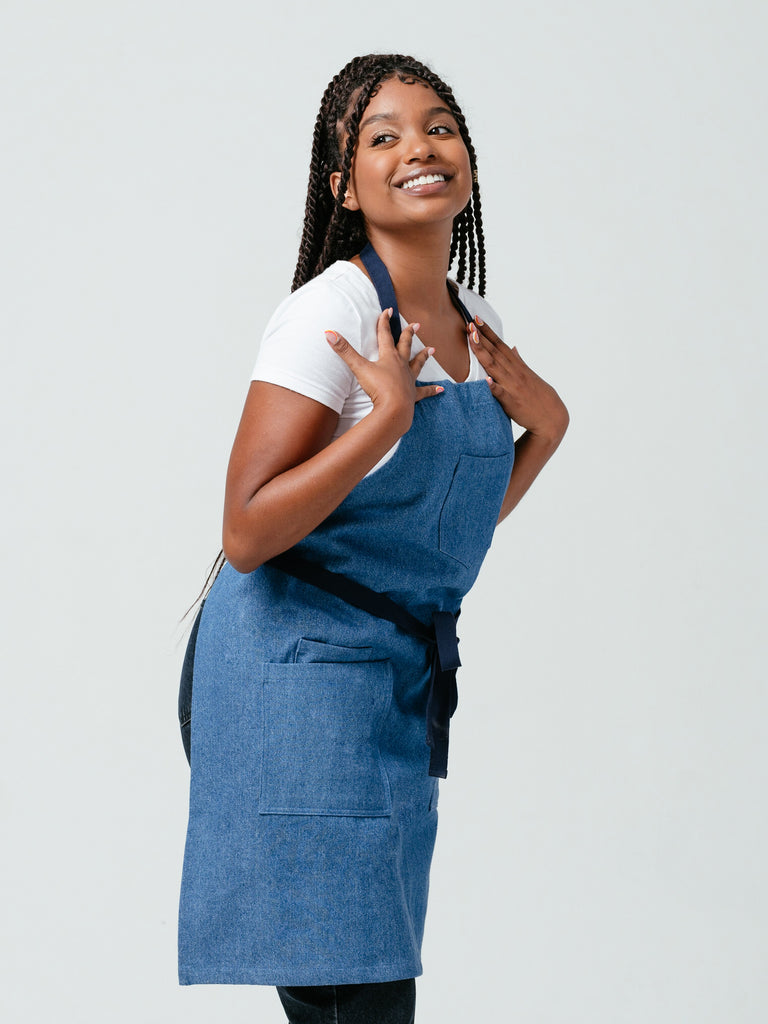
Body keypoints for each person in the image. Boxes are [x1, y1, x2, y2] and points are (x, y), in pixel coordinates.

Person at [178, 53, 569, 1024]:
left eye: (438, 125)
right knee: (351, 981)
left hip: (386, 673)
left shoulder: (474, 321)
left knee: (370, 965)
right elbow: (247, 528)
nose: (420, 149)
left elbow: (447, 523)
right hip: (292, 670)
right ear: (343, 184)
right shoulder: (333, 313)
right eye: (382, 137)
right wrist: (380, 425)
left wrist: (549, 430)